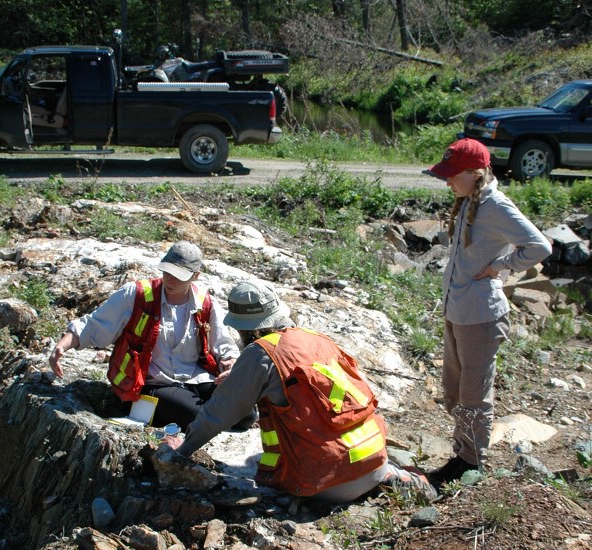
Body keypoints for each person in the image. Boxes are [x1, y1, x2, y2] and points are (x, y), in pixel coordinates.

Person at [163, 280, 437, 503]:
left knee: (263, 469)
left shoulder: (260, 354)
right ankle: (390, 477)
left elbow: (218, 415)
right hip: (373, 461)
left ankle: (317, 490)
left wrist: (183, 449)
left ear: (242, 327)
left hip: (325, 484)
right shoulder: (318, 339)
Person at [426, 138, 552, 487]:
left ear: (475, 172)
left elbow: (540, 245)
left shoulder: (495, 204)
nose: (448, 181)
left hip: (481, 316)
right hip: (459, 311)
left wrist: (502, 266)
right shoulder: (469, 199)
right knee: (454, 388)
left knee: (473, 395)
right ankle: (464, 449)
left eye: (453, 175)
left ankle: (470, 462)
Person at [49, 240, 257, 431]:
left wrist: (230, 368)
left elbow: (224, 346)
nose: (170, 279)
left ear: (195, 276)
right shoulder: (136, 294)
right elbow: (94, 326)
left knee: (247, 415)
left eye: (179, 275)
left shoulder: (205, 303)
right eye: (167, 271)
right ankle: (171, 411)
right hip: (150, 383)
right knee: (198, 417)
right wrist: (63, 345)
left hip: (195, 378)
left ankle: (201, 413)